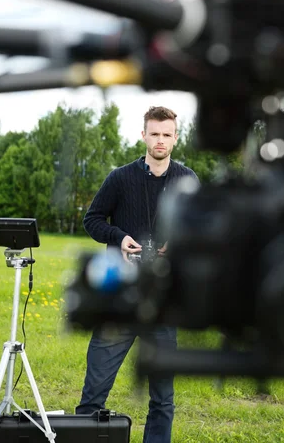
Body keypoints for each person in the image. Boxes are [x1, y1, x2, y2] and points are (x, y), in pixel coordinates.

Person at [76, 105, 199, 443]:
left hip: (163, 298)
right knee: (94, 392)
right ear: (143, 135)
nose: (160, 140)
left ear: (176, 138)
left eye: (166, 134)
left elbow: (199, 230)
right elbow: (93, 220)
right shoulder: (119, 177)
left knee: (162, 398)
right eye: (154, 133)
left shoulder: (188, 180)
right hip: (118, 293)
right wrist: (119, 238)